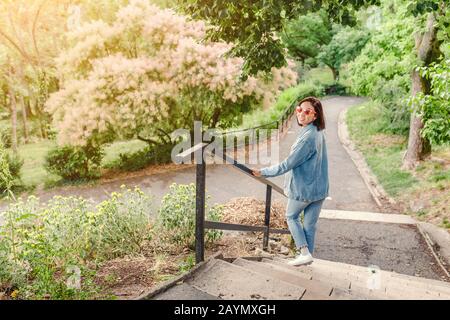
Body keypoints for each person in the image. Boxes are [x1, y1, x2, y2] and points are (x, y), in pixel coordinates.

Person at [252, 96, 329, 266]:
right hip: (319, 190)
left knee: (291, 216)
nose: (301, 114)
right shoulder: (317, 131)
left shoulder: (307, 138)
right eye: (299, 110)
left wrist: (263, 172)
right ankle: (307, 256)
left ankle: (303, 251)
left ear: (315, 115)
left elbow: (288, 164)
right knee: (309, 225)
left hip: (304, 190)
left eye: (307, 111)